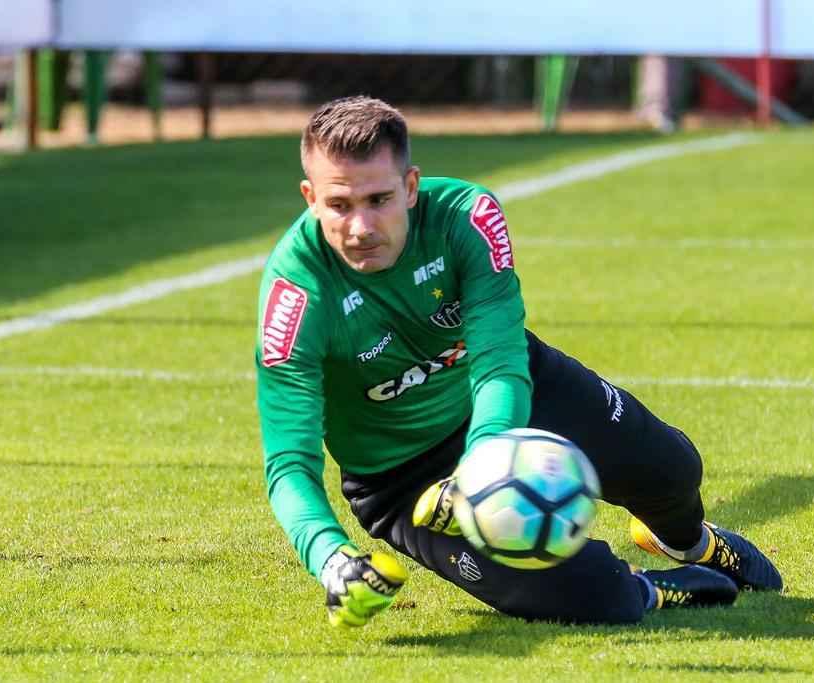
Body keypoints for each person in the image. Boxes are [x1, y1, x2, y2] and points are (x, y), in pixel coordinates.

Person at [256, 96, 782, 627]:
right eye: (340, 205)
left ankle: (688, 544)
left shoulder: (466, 218)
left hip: (512, 398)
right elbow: (288, 462)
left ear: (411, 187)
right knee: (596, 599)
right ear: (310, 197)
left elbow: (500, 362)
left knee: (672, 469)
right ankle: (651, 590)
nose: (361, 227)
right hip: (401, 479)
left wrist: (481, 464)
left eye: (379, 199)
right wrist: (331, 559)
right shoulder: (296, 299)